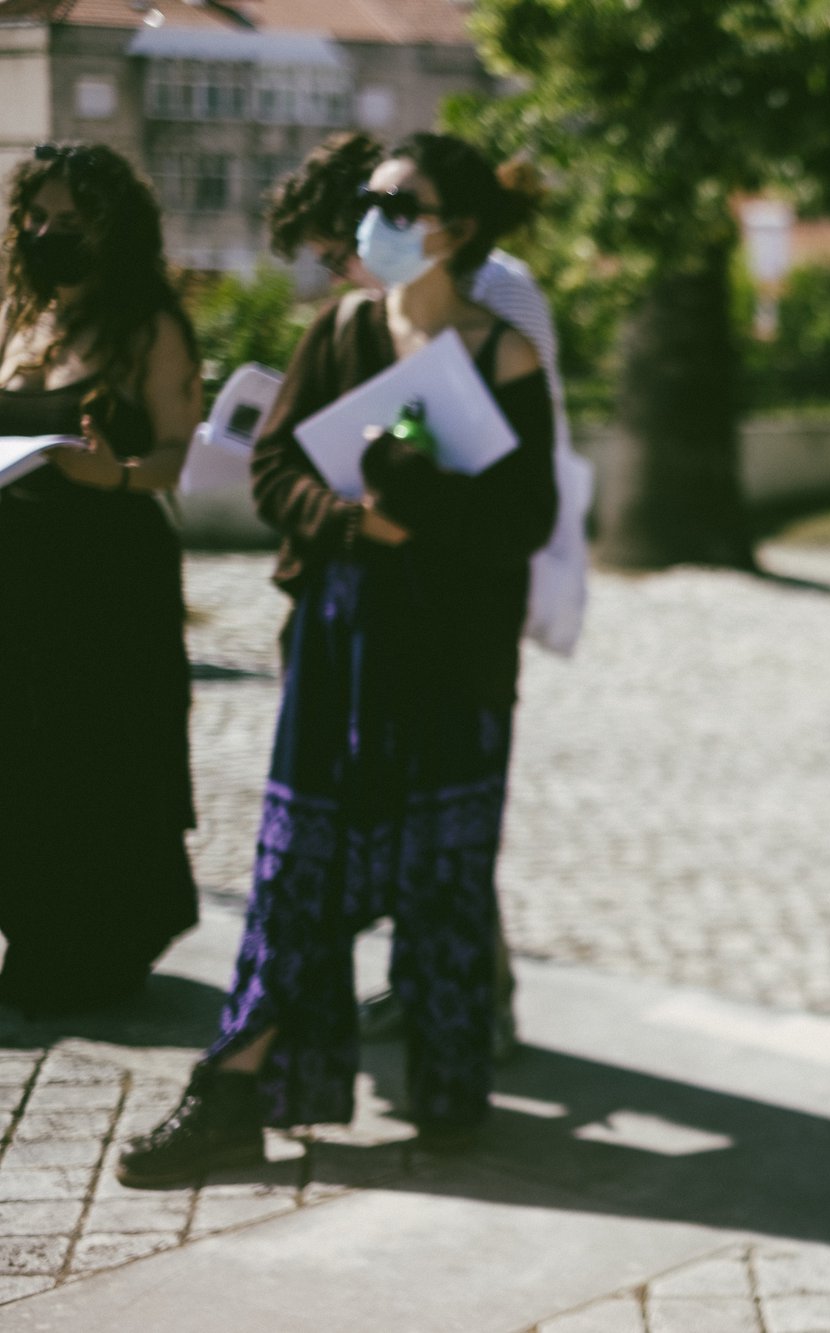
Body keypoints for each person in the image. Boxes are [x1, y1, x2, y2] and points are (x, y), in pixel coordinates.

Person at [117, 132, 555, 1186]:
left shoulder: (505, 356)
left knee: (442, 874)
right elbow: (272, 467)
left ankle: (450, 1087)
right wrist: (355, 523)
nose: (371, 221)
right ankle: (235, 1089)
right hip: (340, 639)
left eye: (397, 204)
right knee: (298, 874)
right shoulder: (342, 328)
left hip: (451, 660)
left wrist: (424, 502)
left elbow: (524, 517)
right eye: (370, 202)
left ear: (453, 230)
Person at [265, 130, 592, 1059]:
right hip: (348, 593)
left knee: (444, 813)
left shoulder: (504, 307)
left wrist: (419, 495)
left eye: (380, 219)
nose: (359, 252)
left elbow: (531, 457)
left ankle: (465, 1002)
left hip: (454, 595)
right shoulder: (350, 322)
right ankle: (378, 997)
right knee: (349, 812)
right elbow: (287, 452)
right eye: (341, 248)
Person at [0, 143, 202, 1015]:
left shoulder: (150, 325)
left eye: (70, 223)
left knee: (104, 755)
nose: (48, 234)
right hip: (19, 576)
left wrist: (109, 473)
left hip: (111, 579)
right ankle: (36, 932)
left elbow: (171, 458)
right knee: (25, 759)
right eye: (37, 220)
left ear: (113, 231)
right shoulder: (21, 319)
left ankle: (108, 940)